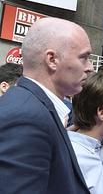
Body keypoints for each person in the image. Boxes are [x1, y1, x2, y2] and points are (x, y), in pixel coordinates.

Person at [0, 17, 93, 193]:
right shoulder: (26, 117)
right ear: (52, 60)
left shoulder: (36, 108)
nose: (90, 67)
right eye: (84, 58)